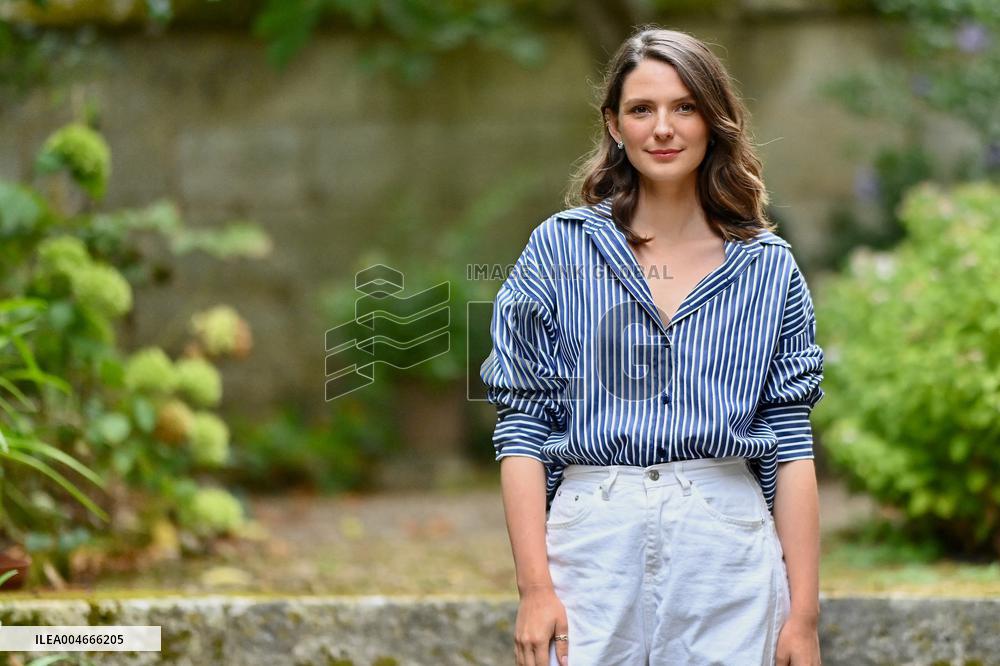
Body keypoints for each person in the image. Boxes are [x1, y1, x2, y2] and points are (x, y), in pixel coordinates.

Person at [479, 25, 825, 666]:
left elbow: (791, 445)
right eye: (642, 109)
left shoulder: (768, 267)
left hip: (726, 541)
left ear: (713, 120)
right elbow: (522, 428)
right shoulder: (560, 250)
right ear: (614, 125)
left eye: (684, 106)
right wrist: (534, 589)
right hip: (592, 542)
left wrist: (802, 616)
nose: (662, 128)